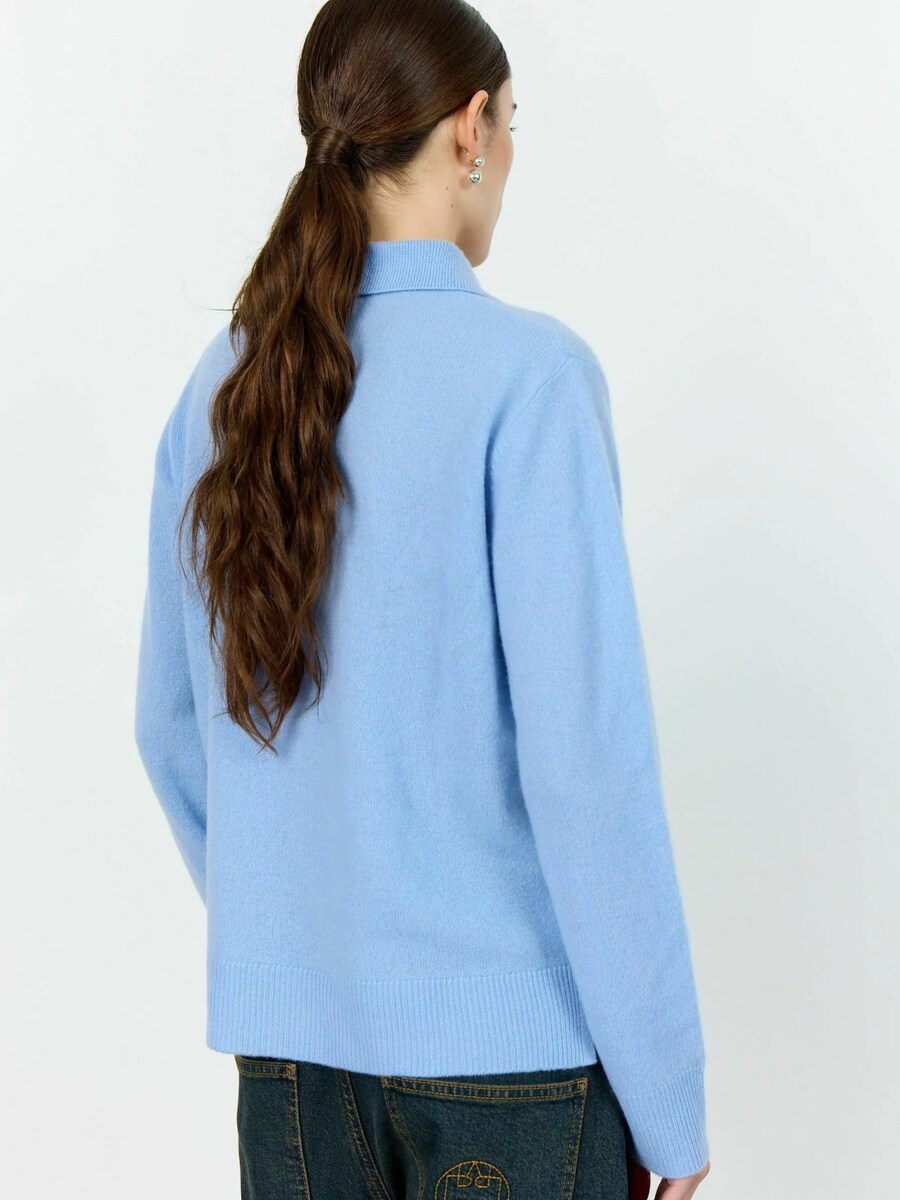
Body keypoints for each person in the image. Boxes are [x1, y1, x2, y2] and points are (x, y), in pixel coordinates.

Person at [134, 1, 712, 1197]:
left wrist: (303, 938)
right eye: (514, 123)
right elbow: (586, 772)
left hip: (292, 1071)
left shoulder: (225, 386)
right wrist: (668, 1100)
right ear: (470, 128)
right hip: (515, 1076)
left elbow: (172, 729)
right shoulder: (531, 380)